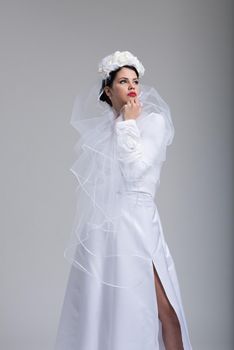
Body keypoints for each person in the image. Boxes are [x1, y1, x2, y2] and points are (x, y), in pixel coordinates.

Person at [54, 50, 193, 350]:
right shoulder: (105, 132)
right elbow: (103, 188)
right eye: (122, 81)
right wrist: (122, 125)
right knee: (109, 311)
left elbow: (135, 173)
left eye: (135, 80)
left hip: (140, 224)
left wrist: (127, 124)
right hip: (106, 232)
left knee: (165, 310)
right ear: (108, 89)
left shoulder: (152, 123)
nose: (132, 86)